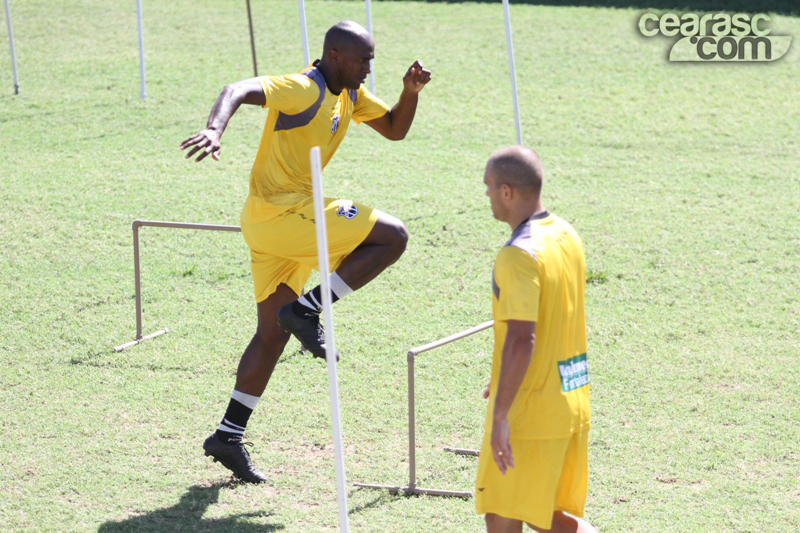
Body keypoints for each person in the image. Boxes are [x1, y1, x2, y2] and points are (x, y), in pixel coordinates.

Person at [180, 20, 431, 483]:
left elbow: (395, 129)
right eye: (362, 60)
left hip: (273, 226)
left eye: (372, 60)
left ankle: (228, 436)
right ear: (335, 56)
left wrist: (409, 91)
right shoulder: (302, 89)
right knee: (393, 236)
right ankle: (309, 309)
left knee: (271, 334)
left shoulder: (350, 94)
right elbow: (235, 88)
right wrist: (214, 130)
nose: (367, 68)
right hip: (282, 216)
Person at [475, 146, 596, 533]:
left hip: (532, 413)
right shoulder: (565, 234)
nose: (488, 196)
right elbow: (550, 322)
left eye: (490, 188)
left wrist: (501, 414)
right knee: (519, 514)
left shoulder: (518, 256)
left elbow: (522, 339)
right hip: (570, 396)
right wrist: (502, 379)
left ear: (507, 192)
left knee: (528, 518)